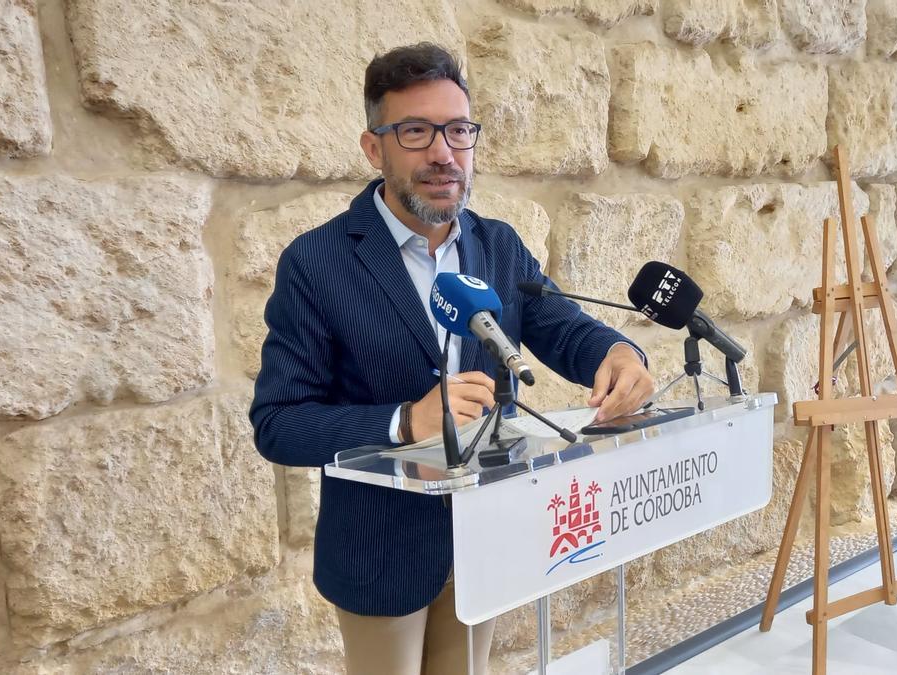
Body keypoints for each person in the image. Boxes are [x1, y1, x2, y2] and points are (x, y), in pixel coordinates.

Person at [249, 42, 654, 675]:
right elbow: (278, 422)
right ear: (373, 146)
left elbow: (559, 326)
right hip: (381, 554)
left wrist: (617, 351)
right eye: (416, 132)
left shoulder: (498, 246)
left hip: (485, 533)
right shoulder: (316, 262)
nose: (443, 153)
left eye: (458, 131)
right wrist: (404, 421)